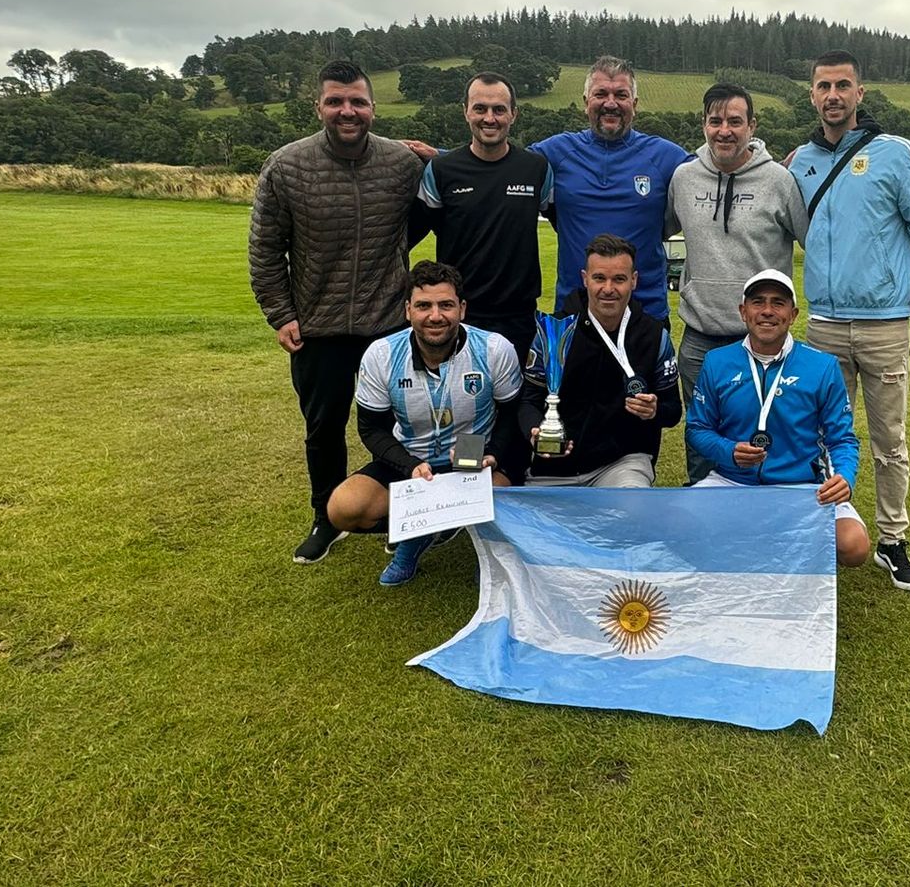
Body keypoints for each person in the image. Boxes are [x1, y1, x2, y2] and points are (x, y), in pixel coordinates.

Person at [788, 50, 910, 591]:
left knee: (889, 439)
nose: (833, 95)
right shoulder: (800, 163)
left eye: (843, 85)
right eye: (823, 86)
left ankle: (891, 540)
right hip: (823, 324)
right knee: (818, 436)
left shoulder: (895, 154)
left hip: (885, 322)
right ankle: (827, 529)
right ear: (811, 95)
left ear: (860, 93)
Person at [249, 59, 425, 565]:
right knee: (323, 427)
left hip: (389, 324)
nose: (347, 111)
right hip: (317, 327)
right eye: (336, 101)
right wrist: (280, 313)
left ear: (373, 107)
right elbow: (265, 247)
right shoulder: (286, 165)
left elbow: (439, 203)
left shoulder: (402, 164)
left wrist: (437, 156)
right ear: (319, 106)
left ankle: (402, 516)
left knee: (398, 426)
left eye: (358, 102)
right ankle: (326, 516)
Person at [326, 261, 522, 586]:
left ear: (462, 308)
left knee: (506, 501)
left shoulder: (493, 349)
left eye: (446, 305)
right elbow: (371, 428)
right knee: (344, 508)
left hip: (473, 459)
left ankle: (475, 546)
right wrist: (409, 466)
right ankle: (418, 532)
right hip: (413, 461)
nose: (435, 316)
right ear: (407, 310)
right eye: (423, 306)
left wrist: (495, 453)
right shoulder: (382, 354)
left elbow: (513, 413)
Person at [665, 83, 808, 483]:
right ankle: (703, 515)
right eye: (715, 121)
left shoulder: (778, 180)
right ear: (704, 125)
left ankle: (760, 523)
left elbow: (814, 240)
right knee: (702, 437)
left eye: (734, 121)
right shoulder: (684, 178)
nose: (724, 130)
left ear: (752, 126)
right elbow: (654, 230)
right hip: (699, 338)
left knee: (764, 436)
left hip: (762, 340)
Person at [686, 270, 869, 567]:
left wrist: (844, 477)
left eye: (778, 303)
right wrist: (729, 451)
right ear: (743, 312)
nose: (767, 311)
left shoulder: (822, 366)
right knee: (679, 525)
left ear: (793, 314)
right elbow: (697, 429)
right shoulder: (717, 362)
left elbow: (842, 438)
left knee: (853, 546)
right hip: (732, 481)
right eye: (758, 302)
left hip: (800, 485)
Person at [530, 56, 691, 323]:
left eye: (621, 95)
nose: (611, 103)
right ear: (585, 102)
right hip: (574, 313)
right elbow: (498, 165)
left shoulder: (664, 156)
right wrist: (438, 158)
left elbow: (719, 171)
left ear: (634, 104)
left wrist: (772, 163)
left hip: (645, 314)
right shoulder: (557, 152)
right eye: (601, 94)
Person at [414, 71, 552, 371]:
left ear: (513, 114)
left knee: (515, 410)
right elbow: (409, 236)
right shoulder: (441, 170)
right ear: (466, 112)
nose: (490, 118)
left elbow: (567, 225)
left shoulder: (536, 169)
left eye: (499, 109)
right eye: (480, 108)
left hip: (518, 318)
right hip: (459, 315)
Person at [519, 234, 681, 487]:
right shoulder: (554, 332)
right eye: (599, 278)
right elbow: (529, 400)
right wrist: (536, 433)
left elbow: (673, 411)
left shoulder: (654, 336)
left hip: (621, 464)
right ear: (585, 279)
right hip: (555, 465)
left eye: (619, 279)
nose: (608, 289)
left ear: (634, 281)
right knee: (536, 527)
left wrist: (654, 410)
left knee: (633, 510)